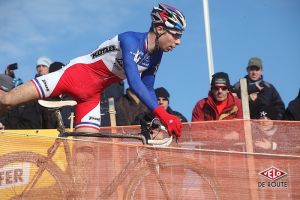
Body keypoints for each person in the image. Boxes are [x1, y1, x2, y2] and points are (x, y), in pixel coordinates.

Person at [0, 3, 185, 138]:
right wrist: (164, 114)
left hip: (91, 97)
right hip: (71, 76)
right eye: (176, 35)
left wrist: (159, 117)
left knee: (85, 160)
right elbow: (134, 82)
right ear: (160, 29)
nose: (178, 42)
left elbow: (148, 89)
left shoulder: (156, 56)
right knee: (7, 100)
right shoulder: (130, 40)